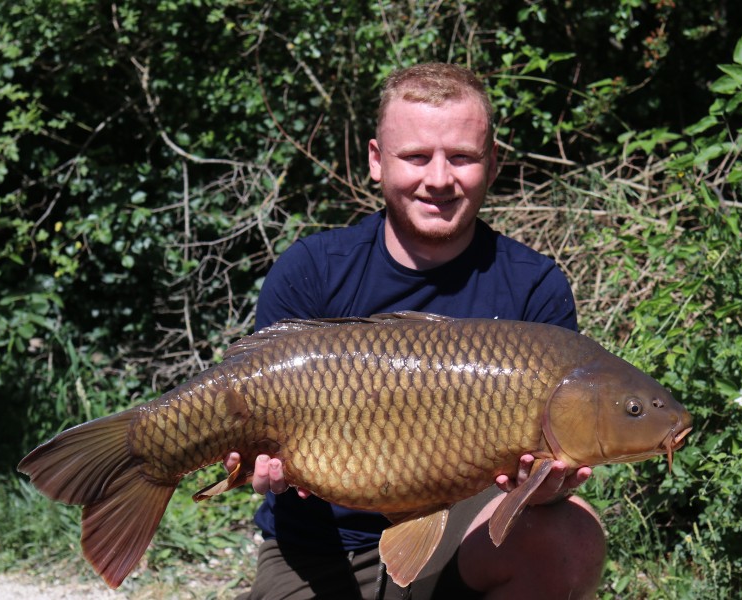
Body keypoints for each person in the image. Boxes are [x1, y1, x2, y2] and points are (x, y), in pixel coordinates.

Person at [228, 62, 606, 599]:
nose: (439, 178)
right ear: (377, 162)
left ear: (492, 163)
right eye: (415, 157)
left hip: (467, 540)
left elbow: (541, 480)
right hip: (324, 547)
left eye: (462, 157)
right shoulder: (313, 270)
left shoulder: (533, 288)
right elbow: (253, 427)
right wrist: (253, 461)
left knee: (570, 531)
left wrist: (545, 489)